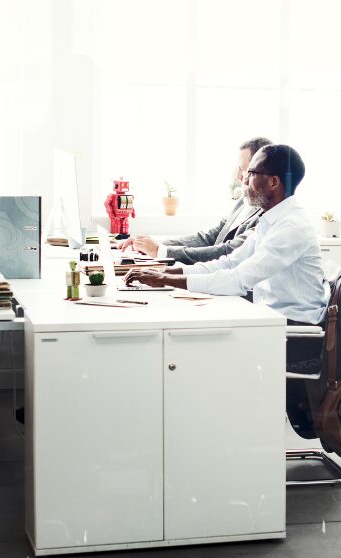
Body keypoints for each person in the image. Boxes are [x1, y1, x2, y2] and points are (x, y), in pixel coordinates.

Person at [124, 144, 329, 433]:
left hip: (292, 334)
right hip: (270, 322)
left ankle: (215, 439)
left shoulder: (291, 227)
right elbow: (228, 263)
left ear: (273, 182)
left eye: (252, 173)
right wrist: (169, 271)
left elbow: (237, 279)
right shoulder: (271, 220)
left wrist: (168, 280)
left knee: (196, 349)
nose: (244, 180)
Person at [118, 137, 273, 264]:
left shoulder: (267, 214)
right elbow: (208, 238)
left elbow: (228, 251)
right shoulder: (243, 202)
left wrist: (160, 251)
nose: (238, 176)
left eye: (244, 169)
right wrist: (149, 245)